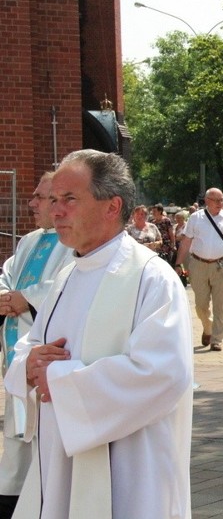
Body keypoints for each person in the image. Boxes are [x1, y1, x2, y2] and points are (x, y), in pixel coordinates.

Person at [4, 149, 193, 518]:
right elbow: (32, 345)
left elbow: (164, 373)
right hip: (59, 458)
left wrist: (57, 377)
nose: (56, 211)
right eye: (54, 200)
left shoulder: (150, 278)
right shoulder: (67, 276)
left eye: (70, 199)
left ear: (112, 206)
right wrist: (28, 364)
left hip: (131, 467)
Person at [0, 172, 74, 518]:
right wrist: (5, 295)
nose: (32, 204)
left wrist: (25, 298)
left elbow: (68, 283)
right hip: (17, 354)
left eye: (39, 197)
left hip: (47, 358)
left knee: (41, 437)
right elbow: (7, 272)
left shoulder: (72, 241)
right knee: (15, 435)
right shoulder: (28, 241)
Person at [174, 188, 223, 351]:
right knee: (201, 305)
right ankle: (208, 327)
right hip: (198, 264)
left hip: (222, 265)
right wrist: (178, 263)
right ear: (207, 201)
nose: (220, 203)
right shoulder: (195, 218)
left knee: (220, 304)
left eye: (221, 200)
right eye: (216, 200)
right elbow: (186, 242)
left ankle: (216, 339)